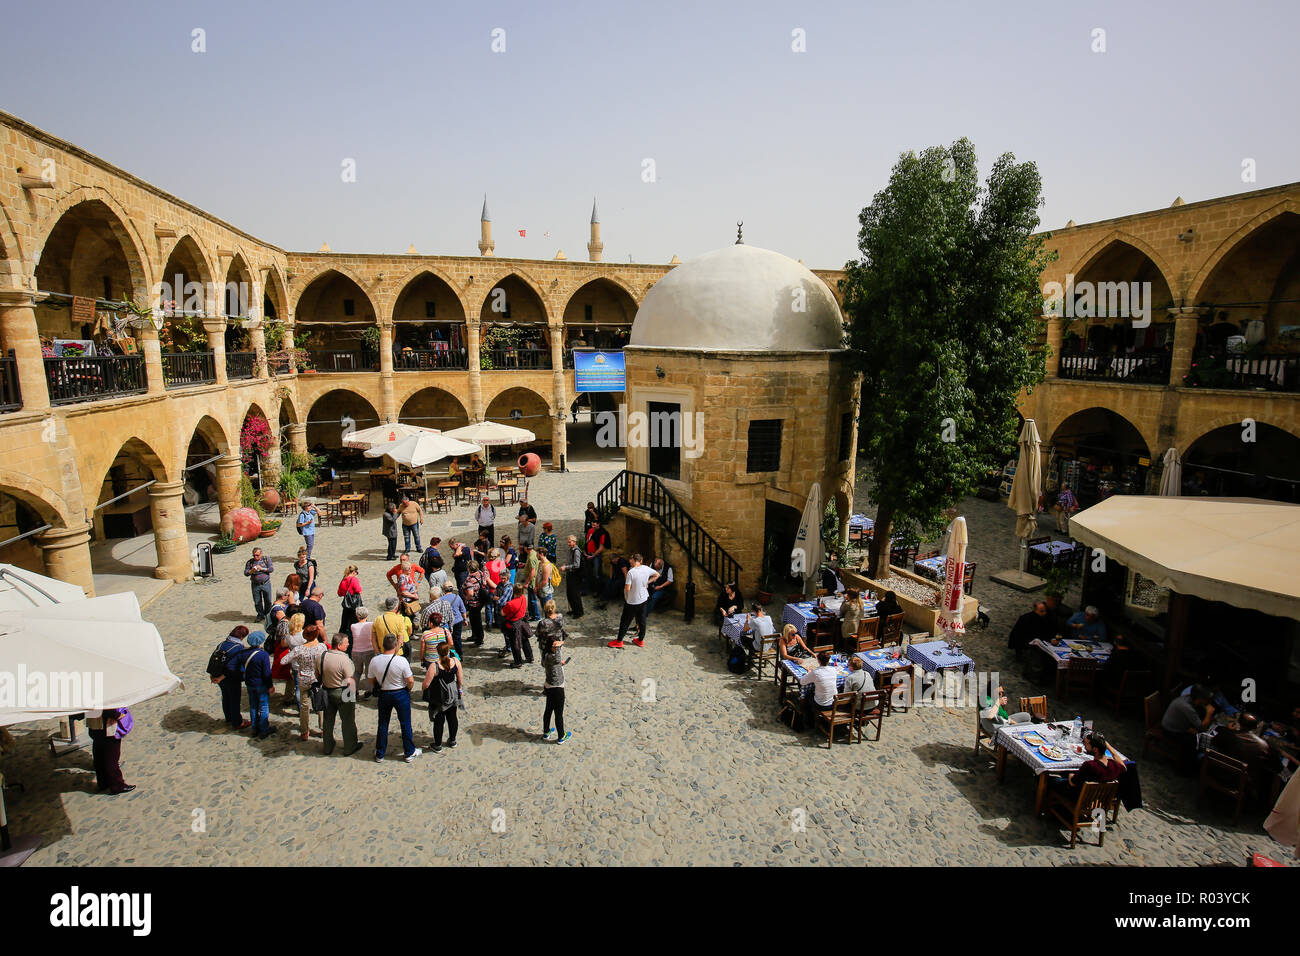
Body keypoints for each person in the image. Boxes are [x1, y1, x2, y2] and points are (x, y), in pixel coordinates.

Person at [368, 634, 421, 763]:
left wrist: (378, 685)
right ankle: (409, 752)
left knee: (383, 723)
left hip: (384, 693)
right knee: (405, 723)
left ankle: (380, 753)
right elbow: (410, 680)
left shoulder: (375, 661)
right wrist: (408, 688)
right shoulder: (401, 661)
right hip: (400, 692)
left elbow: (370, 679)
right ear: (395, 645)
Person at [1211, 712, 1276, 794]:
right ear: (1255, 727)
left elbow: (1213, 742)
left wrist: (1228, 730)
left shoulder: (1227, 734)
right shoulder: (1263, 745)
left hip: (1220, 774)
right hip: (1242, 783)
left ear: (1238, 723)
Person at [320, 632, 359, 756]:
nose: (348, 645)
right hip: (342, 691)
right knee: (347, 720)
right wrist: (352, 694)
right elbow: (349, 680)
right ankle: (350, 746)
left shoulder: (322, 656)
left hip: (326, 689)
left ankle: (327, 746)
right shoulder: (343, 659)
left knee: (328, 720)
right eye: (346, 643)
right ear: (340, 645)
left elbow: (317, 673)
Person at [608, 553, 657, 649]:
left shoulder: (631, 572)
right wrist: (647, 582)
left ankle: (619, 641)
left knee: (625, 621)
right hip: (643, 598)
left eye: (631, 560)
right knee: (642, 620)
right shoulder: (646, 568)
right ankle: (640, 640)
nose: (630, 562)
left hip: (633, 601)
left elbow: (627, 588)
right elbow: (657, 574)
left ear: (634, 561)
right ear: (641, 561)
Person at [422, 640, 463, 753]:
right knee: (452, 717)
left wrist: (425, 691)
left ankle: (438, 744)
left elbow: (426, 684)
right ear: (448, 650)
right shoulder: (455, 661)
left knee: (439, 720)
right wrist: (459, 690)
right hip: (452, 693)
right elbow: (460, 679)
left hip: (438, 695)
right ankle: (452, 740)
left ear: (437, 652)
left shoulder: (434, 666)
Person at [1162, 685, 1215, 772]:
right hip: (1169, 730)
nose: (1209, 702)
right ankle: (1183, 768)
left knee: (1196, 735)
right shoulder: (1187, 707)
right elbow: (1201, 728)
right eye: (1207, 699)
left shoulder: (1188, 699)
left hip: (1178, 725)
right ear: (1200, 698)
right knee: (1194, 741)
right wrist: (1209, 713)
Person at [289, 623, 327, 741]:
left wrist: (297, 661)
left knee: (304, 706)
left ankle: (304, 731)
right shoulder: (321, 647)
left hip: (304, 678)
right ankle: (323, 729)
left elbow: (285, 660)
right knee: (320, 704)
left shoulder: (299, 649)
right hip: (316, 678)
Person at [540, 608, 571, 743]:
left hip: (548, 683)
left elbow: (554, 662)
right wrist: (559, 644)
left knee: (548, 710)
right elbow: (557, 658)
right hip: (557, 685)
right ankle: (561, 735)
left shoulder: (545, 656)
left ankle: (546, 732)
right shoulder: (555, 655)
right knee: (559, 713)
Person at [211, 626, 251, 731]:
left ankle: (228, 717)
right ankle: (237, 722)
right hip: (230, 677)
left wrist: (214, 676)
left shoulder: (222, 644)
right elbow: (234, 667)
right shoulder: (238, 648)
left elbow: (214, 660)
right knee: (234, 699)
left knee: (226, 696)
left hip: (218, 675)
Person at [86, 708, 134, 795]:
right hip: (106, 725)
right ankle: (117, 785)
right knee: (111, 758)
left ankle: (103, 783)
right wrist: (117, 715)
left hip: (94, 722)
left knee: (99, 755)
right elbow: (104, 706)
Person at [242, 630, 275, 739]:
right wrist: (270, 685)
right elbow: (266, 672)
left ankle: (254, 728)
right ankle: (264, 728)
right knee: (264, 706)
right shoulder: (263, 655)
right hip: (261, 683)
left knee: (253, 706)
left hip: (250, 683)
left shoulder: (244, 653)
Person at [799, 649, 838, 725]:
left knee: (807, 695)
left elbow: (802, 682)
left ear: (818, 661)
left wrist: (809, 673)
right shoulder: (833, 670)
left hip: (821, 704)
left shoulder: (816, 672)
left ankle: (809, 720)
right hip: (833, 702)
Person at [372, 596, 414, 661]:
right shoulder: (399, 620)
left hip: (382, 653)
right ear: (396, 607)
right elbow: (400, 641)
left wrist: (378, 652)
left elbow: (373, 639)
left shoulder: (377, 619)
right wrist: (394, 653)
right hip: (397, 654)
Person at [386, 554, 424, 619]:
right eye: (401, 560)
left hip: (412, 593)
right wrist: (394, 585)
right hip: (404, 595)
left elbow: (422, 571)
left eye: (404, 560)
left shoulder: (412, 566)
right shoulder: (397, 569)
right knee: (404, 609)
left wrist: (418, 582)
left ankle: (414, 621)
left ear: (408, 560)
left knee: (414, 609)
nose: (402, 561)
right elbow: (388, 575)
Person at [501, 591, 533, 667]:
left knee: (515, 643)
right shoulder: (523, 598)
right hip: (522, 623)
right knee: (525, 640)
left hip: (513, 625)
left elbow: (502, 613)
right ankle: (530, 657)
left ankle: (518, 662)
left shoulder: (510, 603)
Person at [350, 606, 376, 699]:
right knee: (368, 672)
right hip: (369, 650)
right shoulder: (371, 624)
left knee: (357, 672)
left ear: (357, 616)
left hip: (356, 651)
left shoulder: (353, 626)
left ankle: (354, 690)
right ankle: (369, 691)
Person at [462, 561, 489, 646]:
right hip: (480, 600)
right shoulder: (480, 573)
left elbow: (470, 593)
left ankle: (479, 640)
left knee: (476, 621)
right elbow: (485, 581)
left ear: (469, 569)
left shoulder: (470, 580)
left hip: (474, 602)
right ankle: (475, 635)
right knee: (475, 620)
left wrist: (466, 599)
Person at [244, 547, 275, 620]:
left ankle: (267, 614)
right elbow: (246, 573)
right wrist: (251, 571)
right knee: (257, 601)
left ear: (261, 554)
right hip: (255, 584)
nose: (255, 557)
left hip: (265, 583)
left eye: (257, 555)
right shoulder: (250, 562)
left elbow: (271, 569)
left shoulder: (266, 559)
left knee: (268, 600)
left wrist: (262, 569)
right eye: (254, 555)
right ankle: (260, 615)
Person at [584, 518, 611, 598]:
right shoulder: (590, 531)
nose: (593, 525)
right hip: (588, 554)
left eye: (595, 524)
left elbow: (601, 547)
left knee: (597, 574)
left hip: (595, 555)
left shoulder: (602, 533)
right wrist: (585, 551)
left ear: (598, 524)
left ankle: (597, 590)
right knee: (587, 572)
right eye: (592, 523)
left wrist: (593, 555)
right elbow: (587, 541)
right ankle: (587, 589)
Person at [337, 565, 362, 639]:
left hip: (346, 605)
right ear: (354, 572)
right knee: (356, 622)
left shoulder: (343, 579)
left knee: (344, 624)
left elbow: (339, 593)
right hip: (355, 605)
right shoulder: (354, 579)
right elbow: (358, 590)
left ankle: (340, 639)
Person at [563, 534, 584, 619]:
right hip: (570, 574)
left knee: (575, 594)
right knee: (570, 593)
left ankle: (579, 612)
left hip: (575, 575)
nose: (568, 543)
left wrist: (566, 567)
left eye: (569, 541)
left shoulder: (576, 551)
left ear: (574, 542)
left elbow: (576, 565)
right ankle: (574, 609)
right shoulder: (571, 550)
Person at [534, 547, 555, 623]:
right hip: (541, 591)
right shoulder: (540, 563)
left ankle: (550, 627)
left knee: (548, 612)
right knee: (544, 610)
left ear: (541, 554)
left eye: (537, 554)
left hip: (546, 593)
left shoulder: (546, 566)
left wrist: (536, 588)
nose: (536, 556)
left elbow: (545, 581)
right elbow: (538, 576)